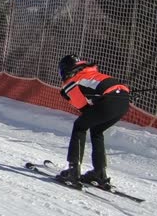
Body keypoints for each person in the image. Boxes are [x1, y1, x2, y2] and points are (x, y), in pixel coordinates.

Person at [56, 54, 130, 187]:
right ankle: (99, 172)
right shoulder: (90, 73)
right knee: (96, 130)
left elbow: (83, 108)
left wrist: (67, 95)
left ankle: (73, 170)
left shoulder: (72, 80)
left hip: (109, 100)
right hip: (123, 100)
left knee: (80, 126)